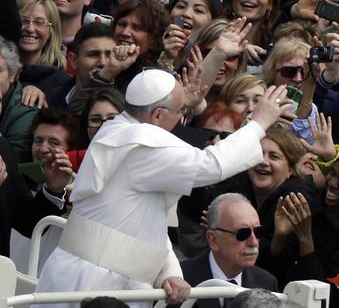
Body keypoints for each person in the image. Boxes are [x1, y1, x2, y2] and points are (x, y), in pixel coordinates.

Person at [34, 69, 290, 308]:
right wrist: (258, 124)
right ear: (157, 115)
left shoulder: (117, 130)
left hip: (105, 276)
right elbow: (211, 165)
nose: (180, 119)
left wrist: (171, 273)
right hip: (92, 280)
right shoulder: (140, 142)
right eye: (179, 111)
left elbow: (145, 221)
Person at [177, 193, 279, 308]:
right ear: (213, 239)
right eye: (243, 234)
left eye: (258, 232)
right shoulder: (178, 279)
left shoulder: (266, 282)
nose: (254, 242)